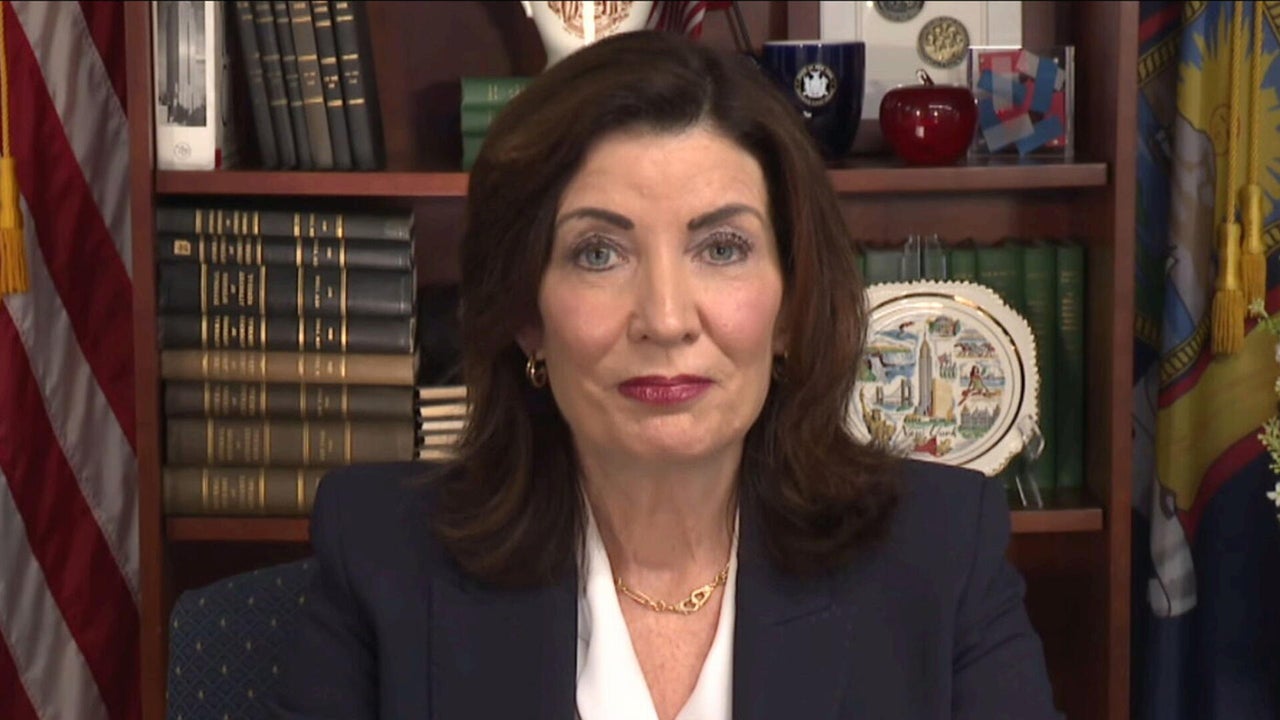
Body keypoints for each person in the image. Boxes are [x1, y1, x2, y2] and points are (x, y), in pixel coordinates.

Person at [272, 29, 1062, 720]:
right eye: (598, 253)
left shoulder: (938, 553)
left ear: (790, 308)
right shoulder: (383, 555)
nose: (666, 317)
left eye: (722, 249)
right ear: (526, 315)